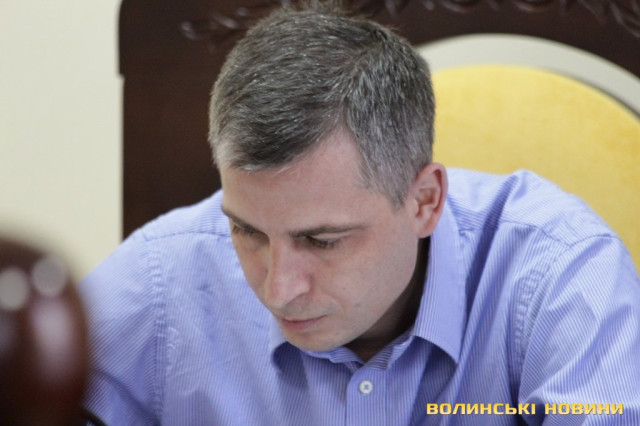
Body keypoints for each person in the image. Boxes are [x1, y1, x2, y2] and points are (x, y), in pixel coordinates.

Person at [79, 2, 640, 424]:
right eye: (247, 231)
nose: (279, 290)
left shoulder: (559, 271)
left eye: (322, 240)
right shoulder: (164, 272)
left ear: (425, 201)